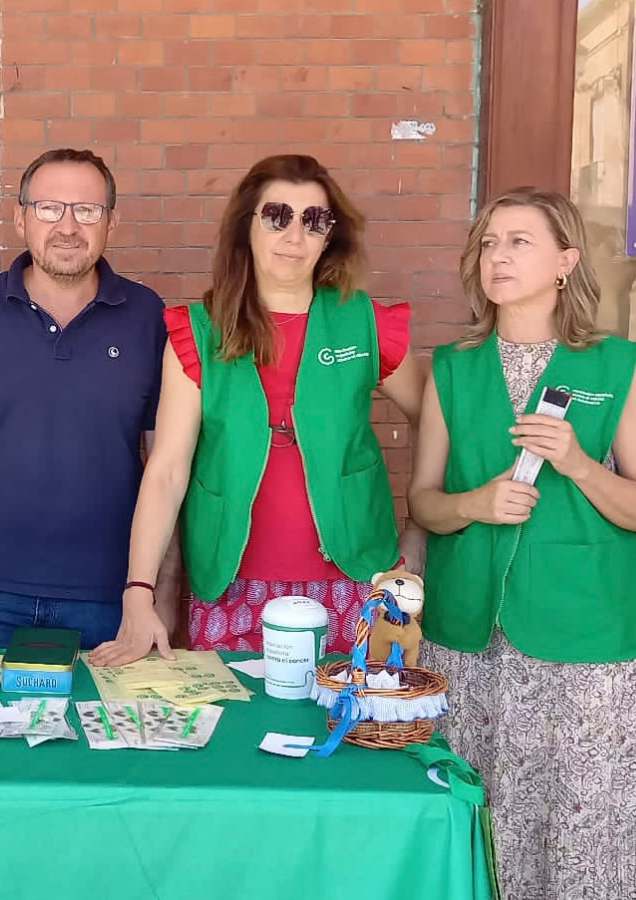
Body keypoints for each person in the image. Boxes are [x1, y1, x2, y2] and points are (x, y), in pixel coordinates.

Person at [408, 188, 636, 899]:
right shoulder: (454, 369)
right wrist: (474, 504)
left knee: (586, 841)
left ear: (566, 262)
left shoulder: (615, 366)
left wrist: (582, 464)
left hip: (586, 647)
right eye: (489, 243)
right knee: (482, 828)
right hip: (472, 647)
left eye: (519, 241)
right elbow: (424, 502)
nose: (498, 256)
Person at [90, 154, 426, 667]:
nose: (295, 234)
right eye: (277, 215)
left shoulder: (365, 322)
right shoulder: (199, 330)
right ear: (245, 225)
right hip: (232, 588)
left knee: (351, 736)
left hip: (356, 584)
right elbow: (167, 470)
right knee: (235, 739)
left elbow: (439, 419)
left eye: (314, 220)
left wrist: (418, 529)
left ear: (329, 236)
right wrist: (138, 592)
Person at [0, 148, 172, 650]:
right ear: (21, 218)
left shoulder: (146, 316)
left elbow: (168, 465)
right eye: (49, 208)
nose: (68, 226)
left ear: (111, 222)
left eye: (87, 210)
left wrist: (160, 590)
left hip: (112, 598)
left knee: (108, 730)